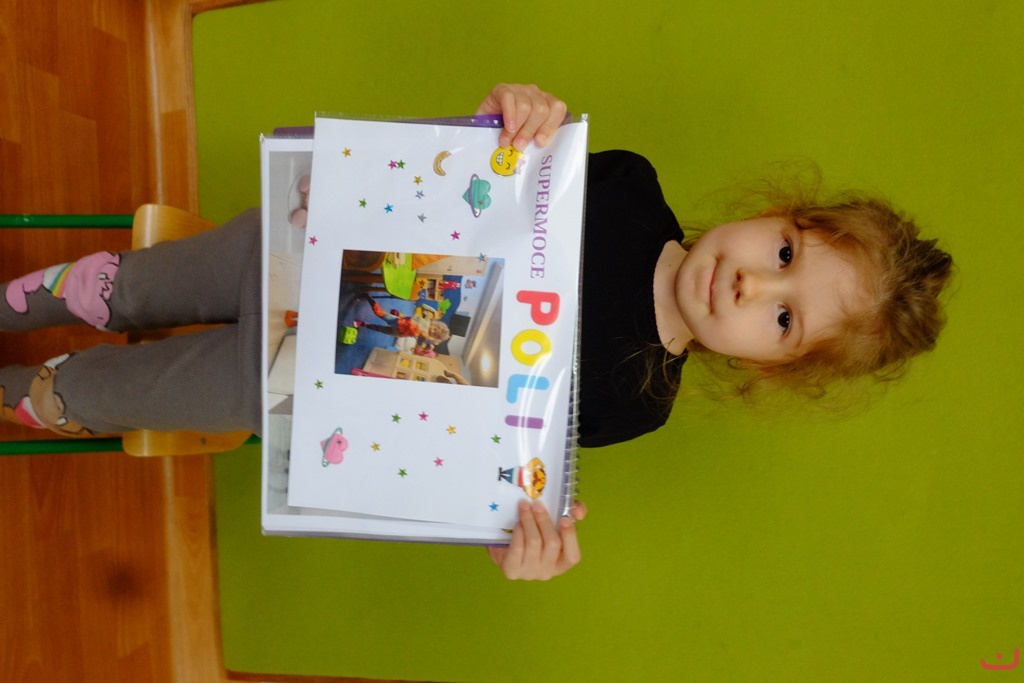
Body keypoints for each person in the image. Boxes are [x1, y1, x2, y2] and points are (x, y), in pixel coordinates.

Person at [0, 84, 953, 581]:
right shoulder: (626, 181)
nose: (751, 282)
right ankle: (18, 304)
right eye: (784, 251)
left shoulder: (639, 401)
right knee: (122, 286)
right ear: (776, 210)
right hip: (298, 248)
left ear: (770, 366)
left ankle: (29, 392)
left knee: (96, 394)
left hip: (293, 384)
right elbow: (460, 173)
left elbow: (478, 461)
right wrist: (503, 117)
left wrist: (512, 534)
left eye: (782, 318)